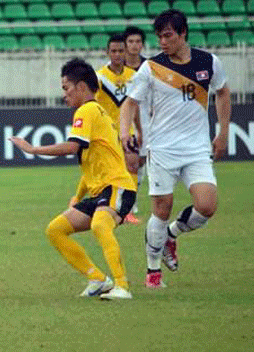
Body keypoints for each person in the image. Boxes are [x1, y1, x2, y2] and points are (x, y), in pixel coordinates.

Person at [120, 10, 232, 288]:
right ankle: (153, 270)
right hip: (162, 148)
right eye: (158, 36)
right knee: (162, 208)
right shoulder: (151, 68)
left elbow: (223, 92)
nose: (162, 41)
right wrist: (125, 132)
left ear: (183, 34)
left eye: (168, 35)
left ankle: (172, 234)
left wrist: (223, 132)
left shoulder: (209, 62)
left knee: (207, 206)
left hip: (196, 148)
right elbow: (129, 103)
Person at [11, 58, 136, 300]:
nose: (64, 95)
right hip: (101, 192)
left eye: (66, 88)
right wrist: (77, 197)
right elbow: (89, 159)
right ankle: (98, 279)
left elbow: (71, 147)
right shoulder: (96, 112)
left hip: (117, 187)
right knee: (55, 230)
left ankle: (122, 286)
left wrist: (33, 150)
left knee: (100, 224)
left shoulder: (87, 110)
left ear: (81, 87)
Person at [94, 33, 140, 225]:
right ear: (107, 52)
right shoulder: (99, 77)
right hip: (106, 133)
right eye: (113, 51)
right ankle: (105, 205)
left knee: (132, 166)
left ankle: (129, 209)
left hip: (127, 131)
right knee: (108, 171)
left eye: (121, 50)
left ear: (126, 51)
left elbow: (135, 106)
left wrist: (140, 130)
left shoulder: (134, 76)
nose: (117, 54)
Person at [123, 26, 150, 220]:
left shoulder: (150, 67)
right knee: (127, 162)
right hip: (125, 121)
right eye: (131, 41)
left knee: (141, 161)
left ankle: (132, 200)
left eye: (138, 41)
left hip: (148, 119)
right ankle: (127, 203)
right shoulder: (117, 68)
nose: (134, 45)